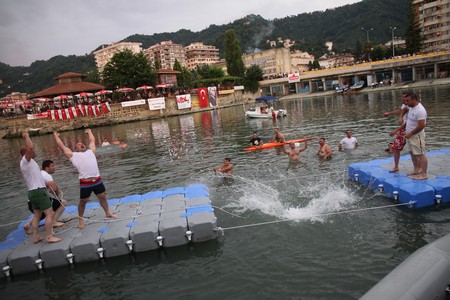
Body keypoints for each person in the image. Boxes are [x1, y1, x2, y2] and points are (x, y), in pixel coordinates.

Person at [54, 129, 117, 229]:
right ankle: (81, 219)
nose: (81, 144)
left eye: (82, 143)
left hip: (97, 180)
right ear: (76, 149)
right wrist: (56, 136)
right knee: (83, 202)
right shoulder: (73, 155)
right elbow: (62, 146)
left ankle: (108, 212)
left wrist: (90, 132)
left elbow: (92, 141)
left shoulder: (90, 152)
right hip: (85, 183)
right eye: (79, 144)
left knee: (103, 197)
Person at [20, 133, 62, 243]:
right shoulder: (25, 161)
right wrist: (26, 136)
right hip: (38, 192)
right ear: (27, 154)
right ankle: (49, 236)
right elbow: (29, 147)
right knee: (49, 213)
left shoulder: (29, 163)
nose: (35, 151)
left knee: (37, 215)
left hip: (33, 192)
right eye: (32, 151)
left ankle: (35, 237)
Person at [23, 160, 67, 234]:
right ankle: (54, 222)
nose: (54, 168)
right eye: (52, 166)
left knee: (40, 213)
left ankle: (28, 225)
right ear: (46, 167)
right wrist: (57, 192)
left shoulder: (38, 174)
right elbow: (54, 188)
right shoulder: (46, 175)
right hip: (40, 198)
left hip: (31, 202)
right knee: (63, 203)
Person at [395, 92, 428, 180]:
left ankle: (424, 174)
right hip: (409, 135)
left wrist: (411, 133)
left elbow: (421, 125)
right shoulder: (410, 106)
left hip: (417, 136)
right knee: (412, 153)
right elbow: (404, 110)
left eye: (407, 100)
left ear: (414, 100)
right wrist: (401, 117)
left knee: (420, 154)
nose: (405, 102)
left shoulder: (420, 110)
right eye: (405, 100)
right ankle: (416, 169)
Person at [386, 92, 409, 172]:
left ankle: (419, 168)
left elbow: (409, 123)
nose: (402, 99)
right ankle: (396, 166)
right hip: (402, 129)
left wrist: (396, 130)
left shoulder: (411, 107)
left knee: (414, 150)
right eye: (402, 98)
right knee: (395, 148)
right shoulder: (404, 105)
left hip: (407, 129)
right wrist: (390, 113)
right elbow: (400, 111)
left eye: (404, 98)